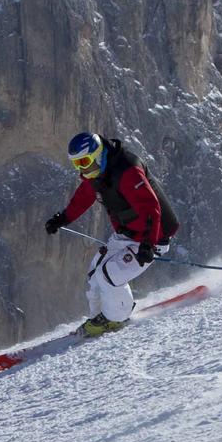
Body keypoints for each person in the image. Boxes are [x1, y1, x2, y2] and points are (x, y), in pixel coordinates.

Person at [44, 132, 180, 336]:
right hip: (126, 235)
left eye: (84, 162)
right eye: (76, 164)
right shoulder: (96, 172)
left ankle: (116, 319)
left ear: (98, 154)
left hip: (151, 237)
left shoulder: (127, 171)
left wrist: (147, 244)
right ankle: (100, 316)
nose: (82, 169)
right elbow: (84, 197)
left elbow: (150, 207)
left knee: (109, 274)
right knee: (94, 274)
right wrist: (62, 218)